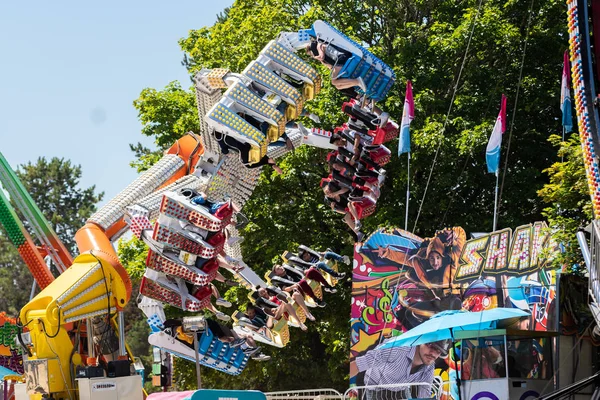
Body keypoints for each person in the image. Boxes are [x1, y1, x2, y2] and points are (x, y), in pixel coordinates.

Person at [373, 227, 466, 298]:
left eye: (438, 258)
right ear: (428, 259)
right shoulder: (422, 262)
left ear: (442, 257)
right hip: (437, 298)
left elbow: (460, 244)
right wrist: (388, 253)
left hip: (454, 295)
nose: (435, 262)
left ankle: (451, 297)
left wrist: (456, 233)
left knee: (448, 269)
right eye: (432, 259)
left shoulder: (451, 259)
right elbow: (405, 259)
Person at [350, 339, 450, 399]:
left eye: (438, 351)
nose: (433, 353)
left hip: (401, 390)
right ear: (420, 342)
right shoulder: (396, 348)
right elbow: (359, 364)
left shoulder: (429, 366)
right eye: (430, 346)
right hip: (376, 388)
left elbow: (424, 394)